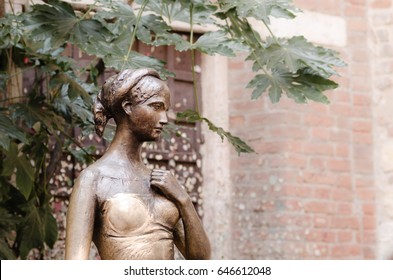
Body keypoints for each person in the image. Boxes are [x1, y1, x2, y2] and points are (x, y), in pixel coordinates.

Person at [65, 68, 211, 260]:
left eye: (165, 110)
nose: (164, 119)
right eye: (156, 107)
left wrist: (184, 201)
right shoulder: (93, 179)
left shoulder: (161, 183)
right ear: (128, 107)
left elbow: (200, 259)